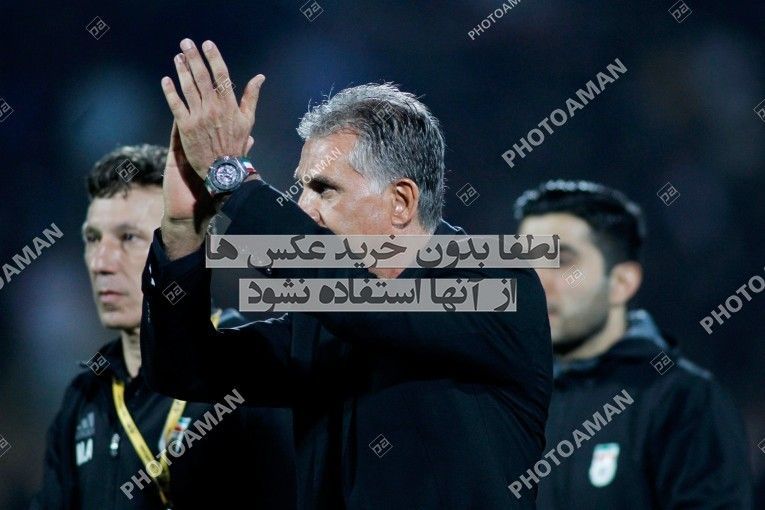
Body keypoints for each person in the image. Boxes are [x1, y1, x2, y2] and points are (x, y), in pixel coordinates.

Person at [140, 38, 553, 509]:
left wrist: (234, 179)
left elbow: (366, 305)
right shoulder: (320, 324)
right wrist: (183, 228)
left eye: (323, 189)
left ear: (401, 202)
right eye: (300, 188)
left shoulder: (498, 283)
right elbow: (184, 369)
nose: (303, 207)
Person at [31, 144, 296, 510]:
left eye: (128, 237)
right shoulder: (84, 397)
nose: (101, 262)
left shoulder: (253, 368)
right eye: (93, 239)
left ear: (181, 243)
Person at [514, 180, 752, 509]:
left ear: (621, 283)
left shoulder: (682, 400)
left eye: (562, 261)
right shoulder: (512, 400)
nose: (537, 282)